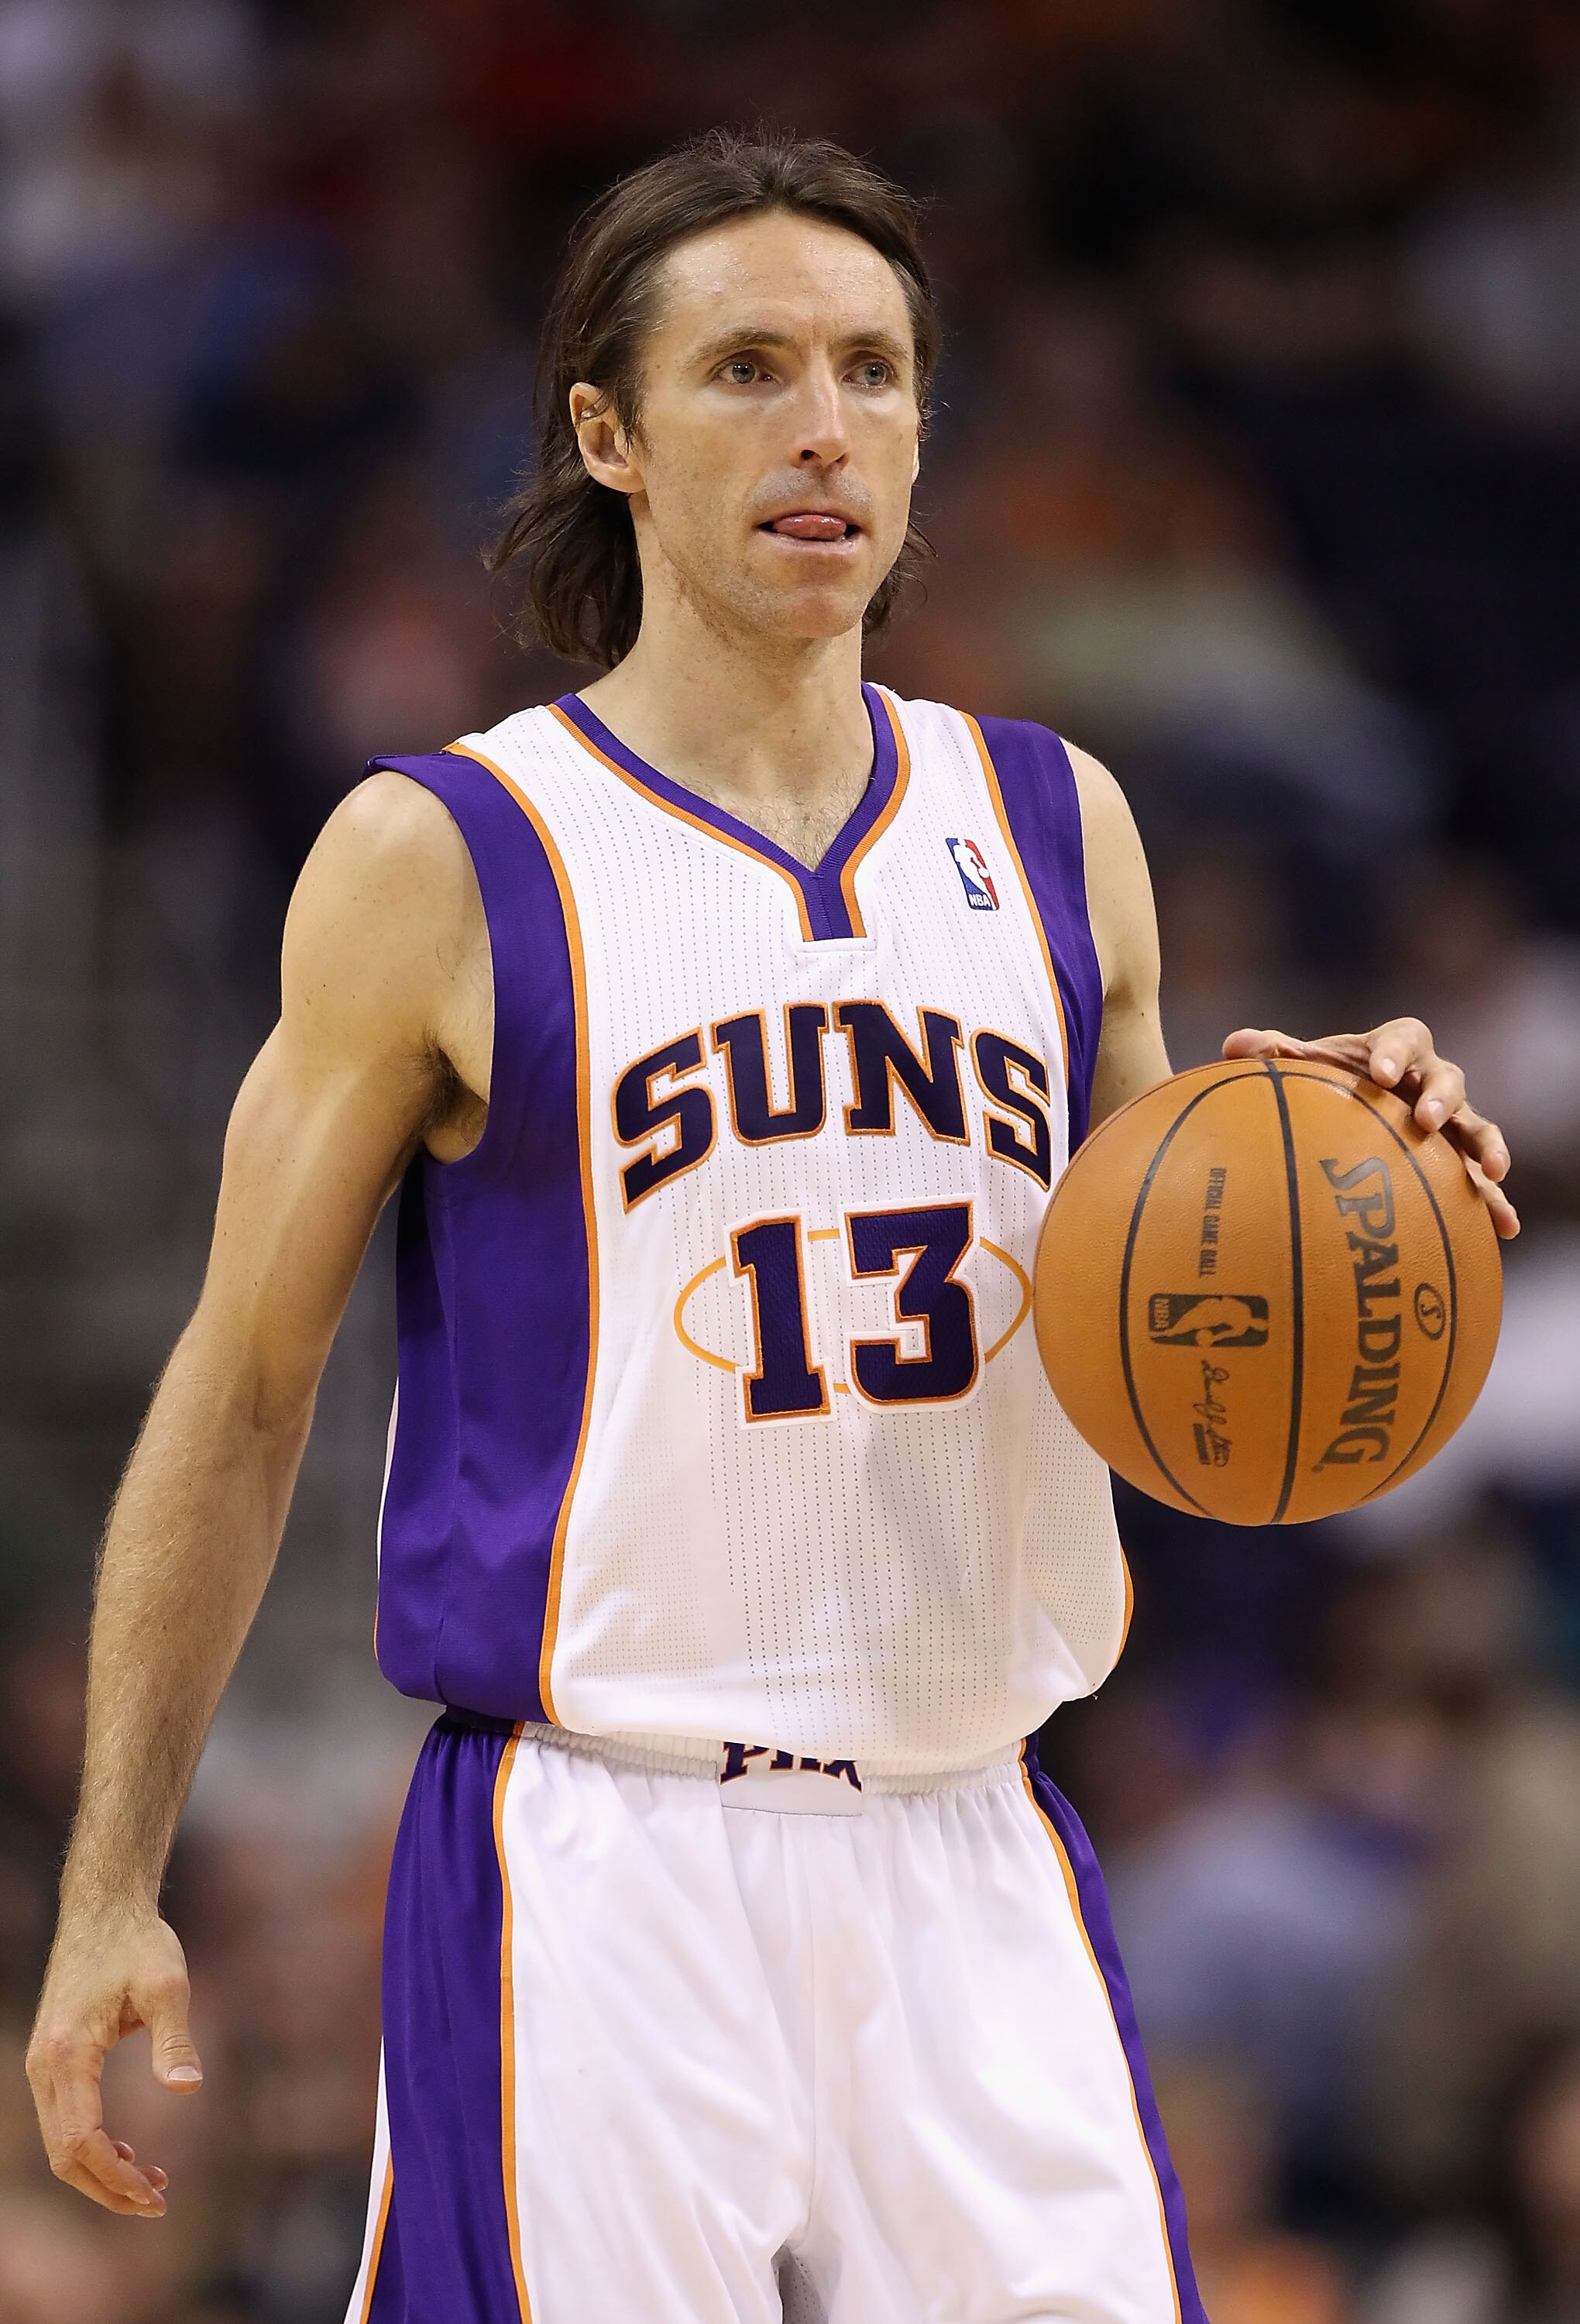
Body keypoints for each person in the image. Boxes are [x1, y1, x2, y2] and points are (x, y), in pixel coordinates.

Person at [26, 130, 1517, 2324]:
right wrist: (111, 1884)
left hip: (975, 1831)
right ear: (606, 436)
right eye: (746, 369)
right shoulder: (448, 853)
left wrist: (1353, 1149)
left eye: (873, 371)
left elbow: (1173, 1288)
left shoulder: (1055, 826)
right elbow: (244, 1397)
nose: (823, 423)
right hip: (607, 1853)